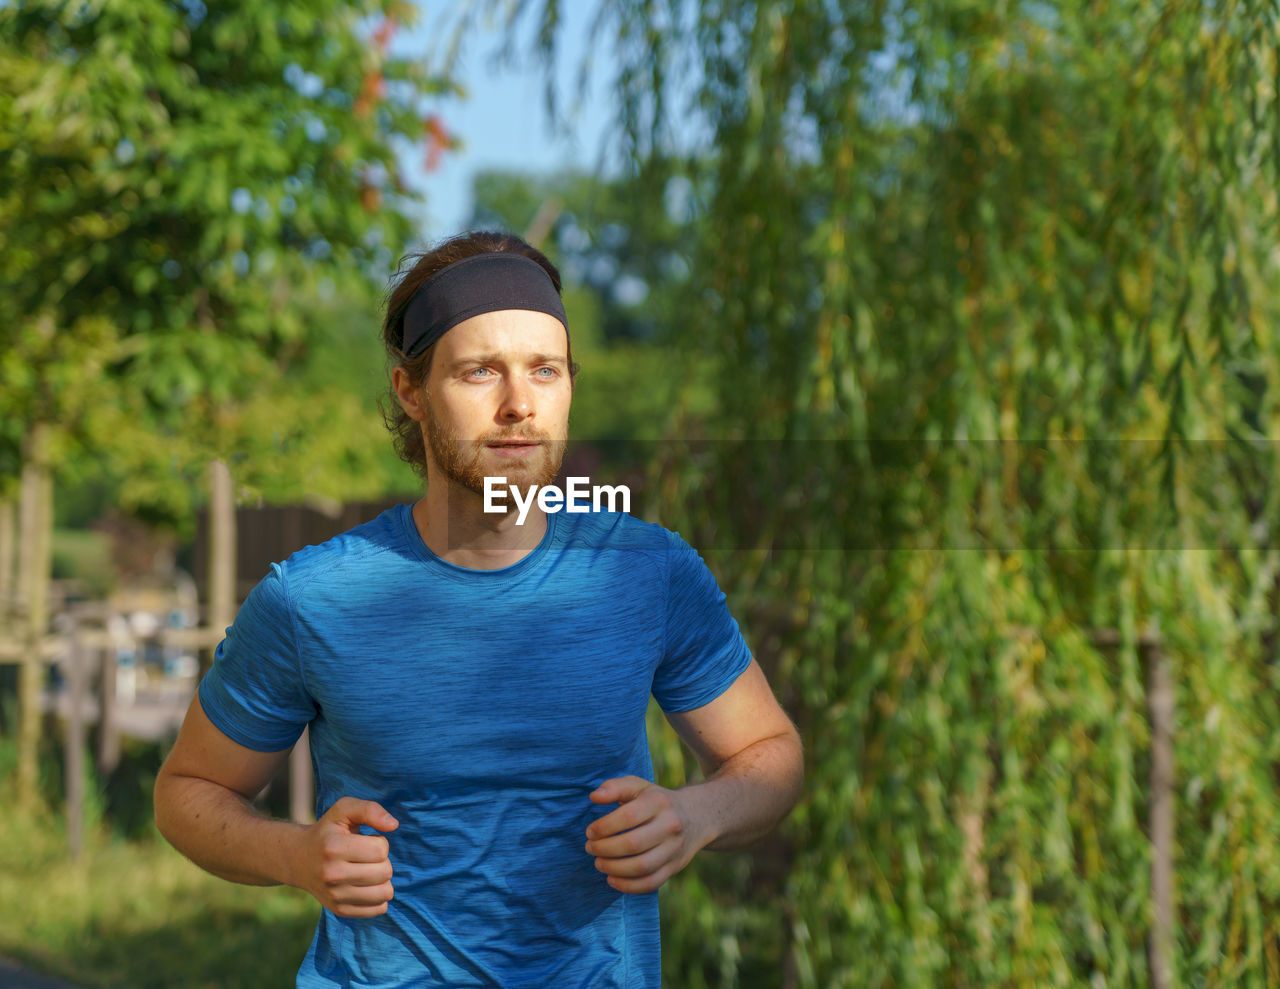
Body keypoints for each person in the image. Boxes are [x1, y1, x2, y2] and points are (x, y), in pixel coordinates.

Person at [153, 230, 804, 988]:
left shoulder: (648, 572)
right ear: (410, 392)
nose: (519, 404)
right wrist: (295, 855)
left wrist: (698, 814)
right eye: (479, 371)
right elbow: (187, 791)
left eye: (545, 370)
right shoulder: (313, 598)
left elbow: (771, 754)